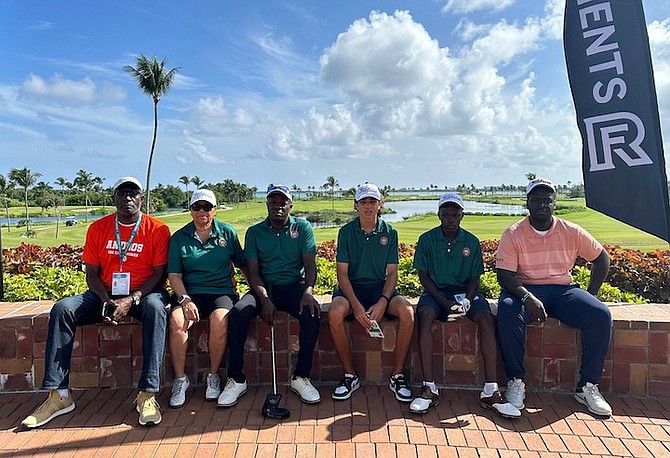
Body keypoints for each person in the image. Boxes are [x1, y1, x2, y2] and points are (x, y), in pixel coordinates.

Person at [21, 177, 171, 428]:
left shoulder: (156, 229)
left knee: (157, 309)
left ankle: (147, 394)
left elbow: (159, 274)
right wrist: (105, 300)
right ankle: (59, 395)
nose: (127, 199)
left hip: (144, 294)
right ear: (113, 199)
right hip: (105, 292)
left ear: (141, 198)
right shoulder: (98, 228)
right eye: (122, 194)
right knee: (63, 309)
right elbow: (91, 272)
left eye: (133, 193)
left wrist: (131, 299)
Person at [496, 178, 613, 417]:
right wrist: (527, 296)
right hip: (525, 289)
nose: (542, 204)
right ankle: (516, 381)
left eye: (547, 200)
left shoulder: (570, 231)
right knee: (507, 311)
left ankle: (587, 386)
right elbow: (505, 276)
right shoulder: (513, 233)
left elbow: (601, 258)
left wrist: (591, 295)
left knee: (600, 314)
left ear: (554, 204)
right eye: (536, 200)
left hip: (562, 291)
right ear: (527, 203)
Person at [408, 192, 520, 418]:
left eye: (455, 214)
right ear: (439, 214)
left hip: (465, 294)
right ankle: (429, 387)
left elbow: (474, 278)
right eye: (446, 214)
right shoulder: (427, 239)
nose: (450, 218)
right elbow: (424, 276)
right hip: (436, 294)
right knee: (425, 315)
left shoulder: (470, 241)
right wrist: (443, 301)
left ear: (462, 215)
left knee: (487, 318)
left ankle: (491, 390)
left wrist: (468, 299)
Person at [218, 184, 321, 407]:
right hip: (262, 287)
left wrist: (308, 291)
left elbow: (310, 265)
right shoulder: (255, 232)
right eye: (273, 202)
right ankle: (236, 378)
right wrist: (264, 299)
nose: (278, 206)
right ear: (267, 205)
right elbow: (253, 272)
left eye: (283, 202)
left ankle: (300, 377)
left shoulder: (302, 228)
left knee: (311, 315)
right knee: (237, 313)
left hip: (293, 285)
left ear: (290, 205)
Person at [328, 183, 415, 402]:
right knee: (335, 312)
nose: (368, 207)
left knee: (407, 313)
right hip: (352, 288)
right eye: (363, 202)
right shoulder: (346, 232)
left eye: (372, 202)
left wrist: (383, 302)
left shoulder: (390, 232)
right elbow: (342, 275)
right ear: (356, 205)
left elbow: (392, 273)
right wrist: (357, 307)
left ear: (380, 205)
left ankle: (397, 375)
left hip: (379, 288)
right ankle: (350, 375)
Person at [166, 189, 245, 408]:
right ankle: (180, 380)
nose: (202, 211)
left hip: (221, 291)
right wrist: (184, 299)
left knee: (220, 320)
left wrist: (257, 291)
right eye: (197, 207)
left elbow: (242, 264)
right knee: (177, 321)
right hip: (189, 292)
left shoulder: (227, 233)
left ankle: (213, 376)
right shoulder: (180, 238)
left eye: (207, 207)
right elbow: (174, 275)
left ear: (215, 210)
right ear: (190, 210)